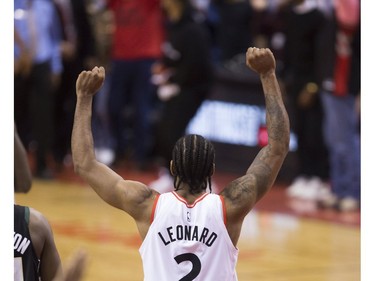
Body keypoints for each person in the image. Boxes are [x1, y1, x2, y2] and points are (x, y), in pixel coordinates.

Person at [72, 47, 290, 279]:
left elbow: (84, 163)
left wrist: (84, 98)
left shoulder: (147, 206)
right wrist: (267, 74)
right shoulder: (231, 206)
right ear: (212, 171)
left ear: (173, 168)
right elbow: (277, 147)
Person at [149, 0, 214, 192]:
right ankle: (170, 174)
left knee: (171, 132)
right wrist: (163, 69)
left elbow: (198, 66)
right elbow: (174, 56)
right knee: (164, 130)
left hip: (192, 89)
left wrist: (175, 82)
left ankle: (190, 180)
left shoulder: (193, 29)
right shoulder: (173, 25)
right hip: (176, 87)